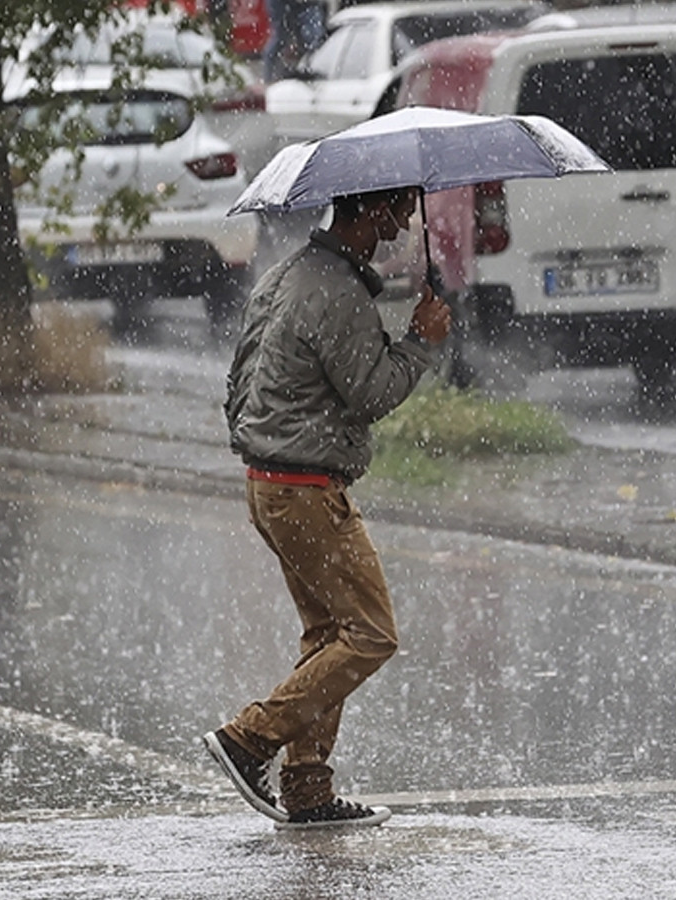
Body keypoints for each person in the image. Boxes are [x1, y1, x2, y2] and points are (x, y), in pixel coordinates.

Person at [203, 185, 452, 829]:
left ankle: (308, 787)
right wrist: (421, 341)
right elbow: (373, 393)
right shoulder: (338, 291)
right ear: (372, 209)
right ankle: (249, 738)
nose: (408, 220)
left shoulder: (288, 274)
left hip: (268, 482)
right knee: (369, 634)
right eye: (401, 207)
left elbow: (241, 379)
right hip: (305, 489)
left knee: (327, 635)